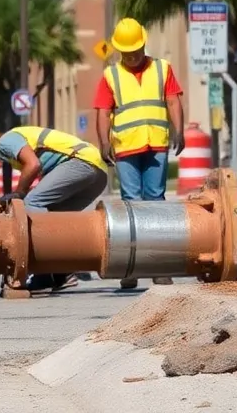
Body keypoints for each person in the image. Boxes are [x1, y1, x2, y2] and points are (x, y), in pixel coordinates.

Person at [93, 17, 185, 291]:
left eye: (135, 50)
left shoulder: (162, 68)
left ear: (143, 44)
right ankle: (130, 268)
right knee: (130, 203)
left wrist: (179, 130)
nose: (131, 56)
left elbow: (173, 100)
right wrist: (103, 141)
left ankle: (158, 268)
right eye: (126, 52)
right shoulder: (111, 75)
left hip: (156, 144)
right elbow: (102, 111)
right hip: (125, 146)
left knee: (155, 201)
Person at [0, 125, 110, 293]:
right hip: (98, 173)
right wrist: (13, 196)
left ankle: (42, 274)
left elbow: (33, 165)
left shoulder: (5, 142)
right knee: (53, 218)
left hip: (80, 162)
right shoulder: (18, 148)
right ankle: (62, 273)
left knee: (33, 202)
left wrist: (19, 194)